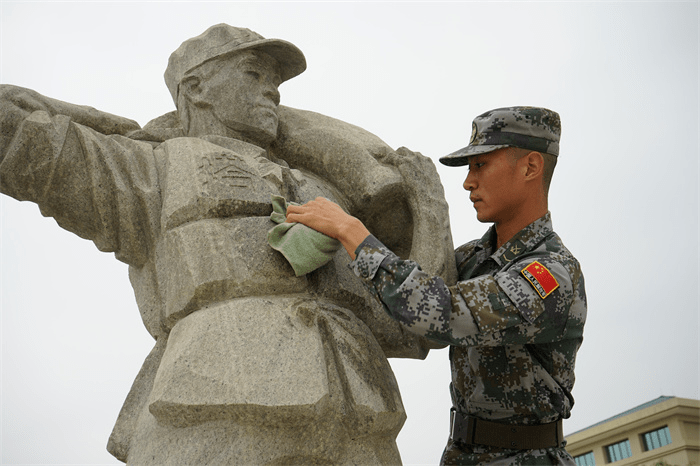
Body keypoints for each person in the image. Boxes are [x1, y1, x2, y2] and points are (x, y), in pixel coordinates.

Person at [0, 24, 456, 465]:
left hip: (359, 416)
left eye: (276, 82)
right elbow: (15, 133)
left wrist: (430, 208)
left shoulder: (325, 194)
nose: (273, 91)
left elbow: (415, 325)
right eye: (254, 74)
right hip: (214, 402)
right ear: (196, 87)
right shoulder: (150, 170)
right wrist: (102, 123)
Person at [286, 106, 587, 465]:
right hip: (462, 453)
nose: (468, 182)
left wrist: (352, 231)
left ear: (530, 167)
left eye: (481, 165)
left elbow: (439, 312)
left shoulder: (552, 274)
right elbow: (402, 288)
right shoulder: (474, 259)